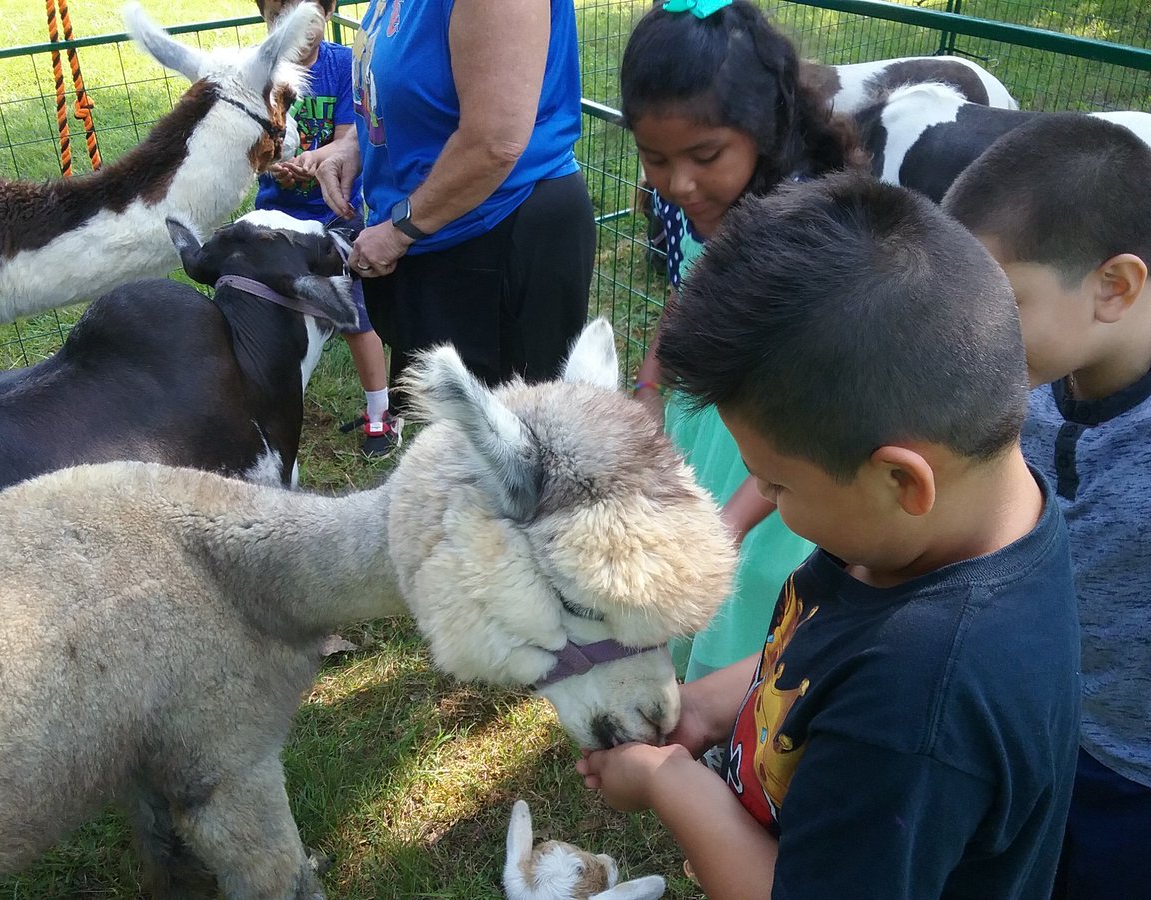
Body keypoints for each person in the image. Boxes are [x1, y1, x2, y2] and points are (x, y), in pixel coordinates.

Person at [576, 172, 1081, 900]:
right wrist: (717, 701)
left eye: (775, 487)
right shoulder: (970, 513)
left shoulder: (915, 711)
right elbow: (824, 645)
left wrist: (669, 784)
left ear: (901, 481)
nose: (769, 503)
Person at [621, 0, 864, 679]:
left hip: (780, 475)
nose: (679, 184)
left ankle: (733, 744)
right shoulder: (693, 208)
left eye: (705, 156)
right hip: (710, 442)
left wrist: (729, 523)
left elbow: (817, 410)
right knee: (691, 599)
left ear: (764, 127)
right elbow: (681, 298)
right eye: (654, 158)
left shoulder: (810, 232)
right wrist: (648, 393)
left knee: (747, 599)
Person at [942, 114, 1151, 900]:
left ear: (1115, 286)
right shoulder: (1033, 390)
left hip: (1133, 776)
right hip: (1027, 727)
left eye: (1003, 305)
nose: (973, 339)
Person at [312, 0, 596, 410]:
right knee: (449, 440)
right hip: (440, 234)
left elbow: (494, 143)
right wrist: (355, 143)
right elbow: (411, 78)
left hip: (496, 239)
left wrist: (398, 231)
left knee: (505, 452)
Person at [253, 0, 398, 458]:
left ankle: (380, 412)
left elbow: (346, 137)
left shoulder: (340, 66)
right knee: (267, 314)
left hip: (336, 216)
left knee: (357, 314)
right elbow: (255, 142)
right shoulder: (257, 70)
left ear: (330, 11)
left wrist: (314, 162)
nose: (297, 22)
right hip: (276, 217)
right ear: (264, 13)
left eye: (309, 11)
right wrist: (276, 163)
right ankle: (266, 410)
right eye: (281, 11)